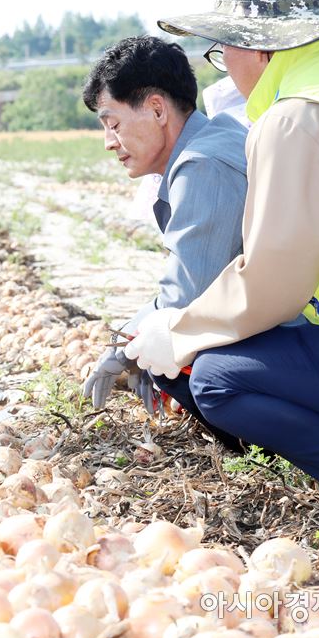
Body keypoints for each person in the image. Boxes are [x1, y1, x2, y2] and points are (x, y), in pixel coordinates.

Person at [126, 0, 319, 510]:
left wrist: (177, 332)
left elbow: (274, 281)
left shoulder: (297, 117)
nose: (225, 65)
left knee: (220, 378)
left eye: (222, 49)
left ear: (259, 47)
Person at [79, 36, 250, 452]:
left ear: (157, 109)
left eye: (113, 124)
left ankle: (268, 451)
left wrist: (126, 347)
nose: (108, 142)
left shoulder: (202, 165)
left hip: (295, 331)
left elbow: (184, 299)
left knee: (174, 357)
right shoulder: (219, 134)